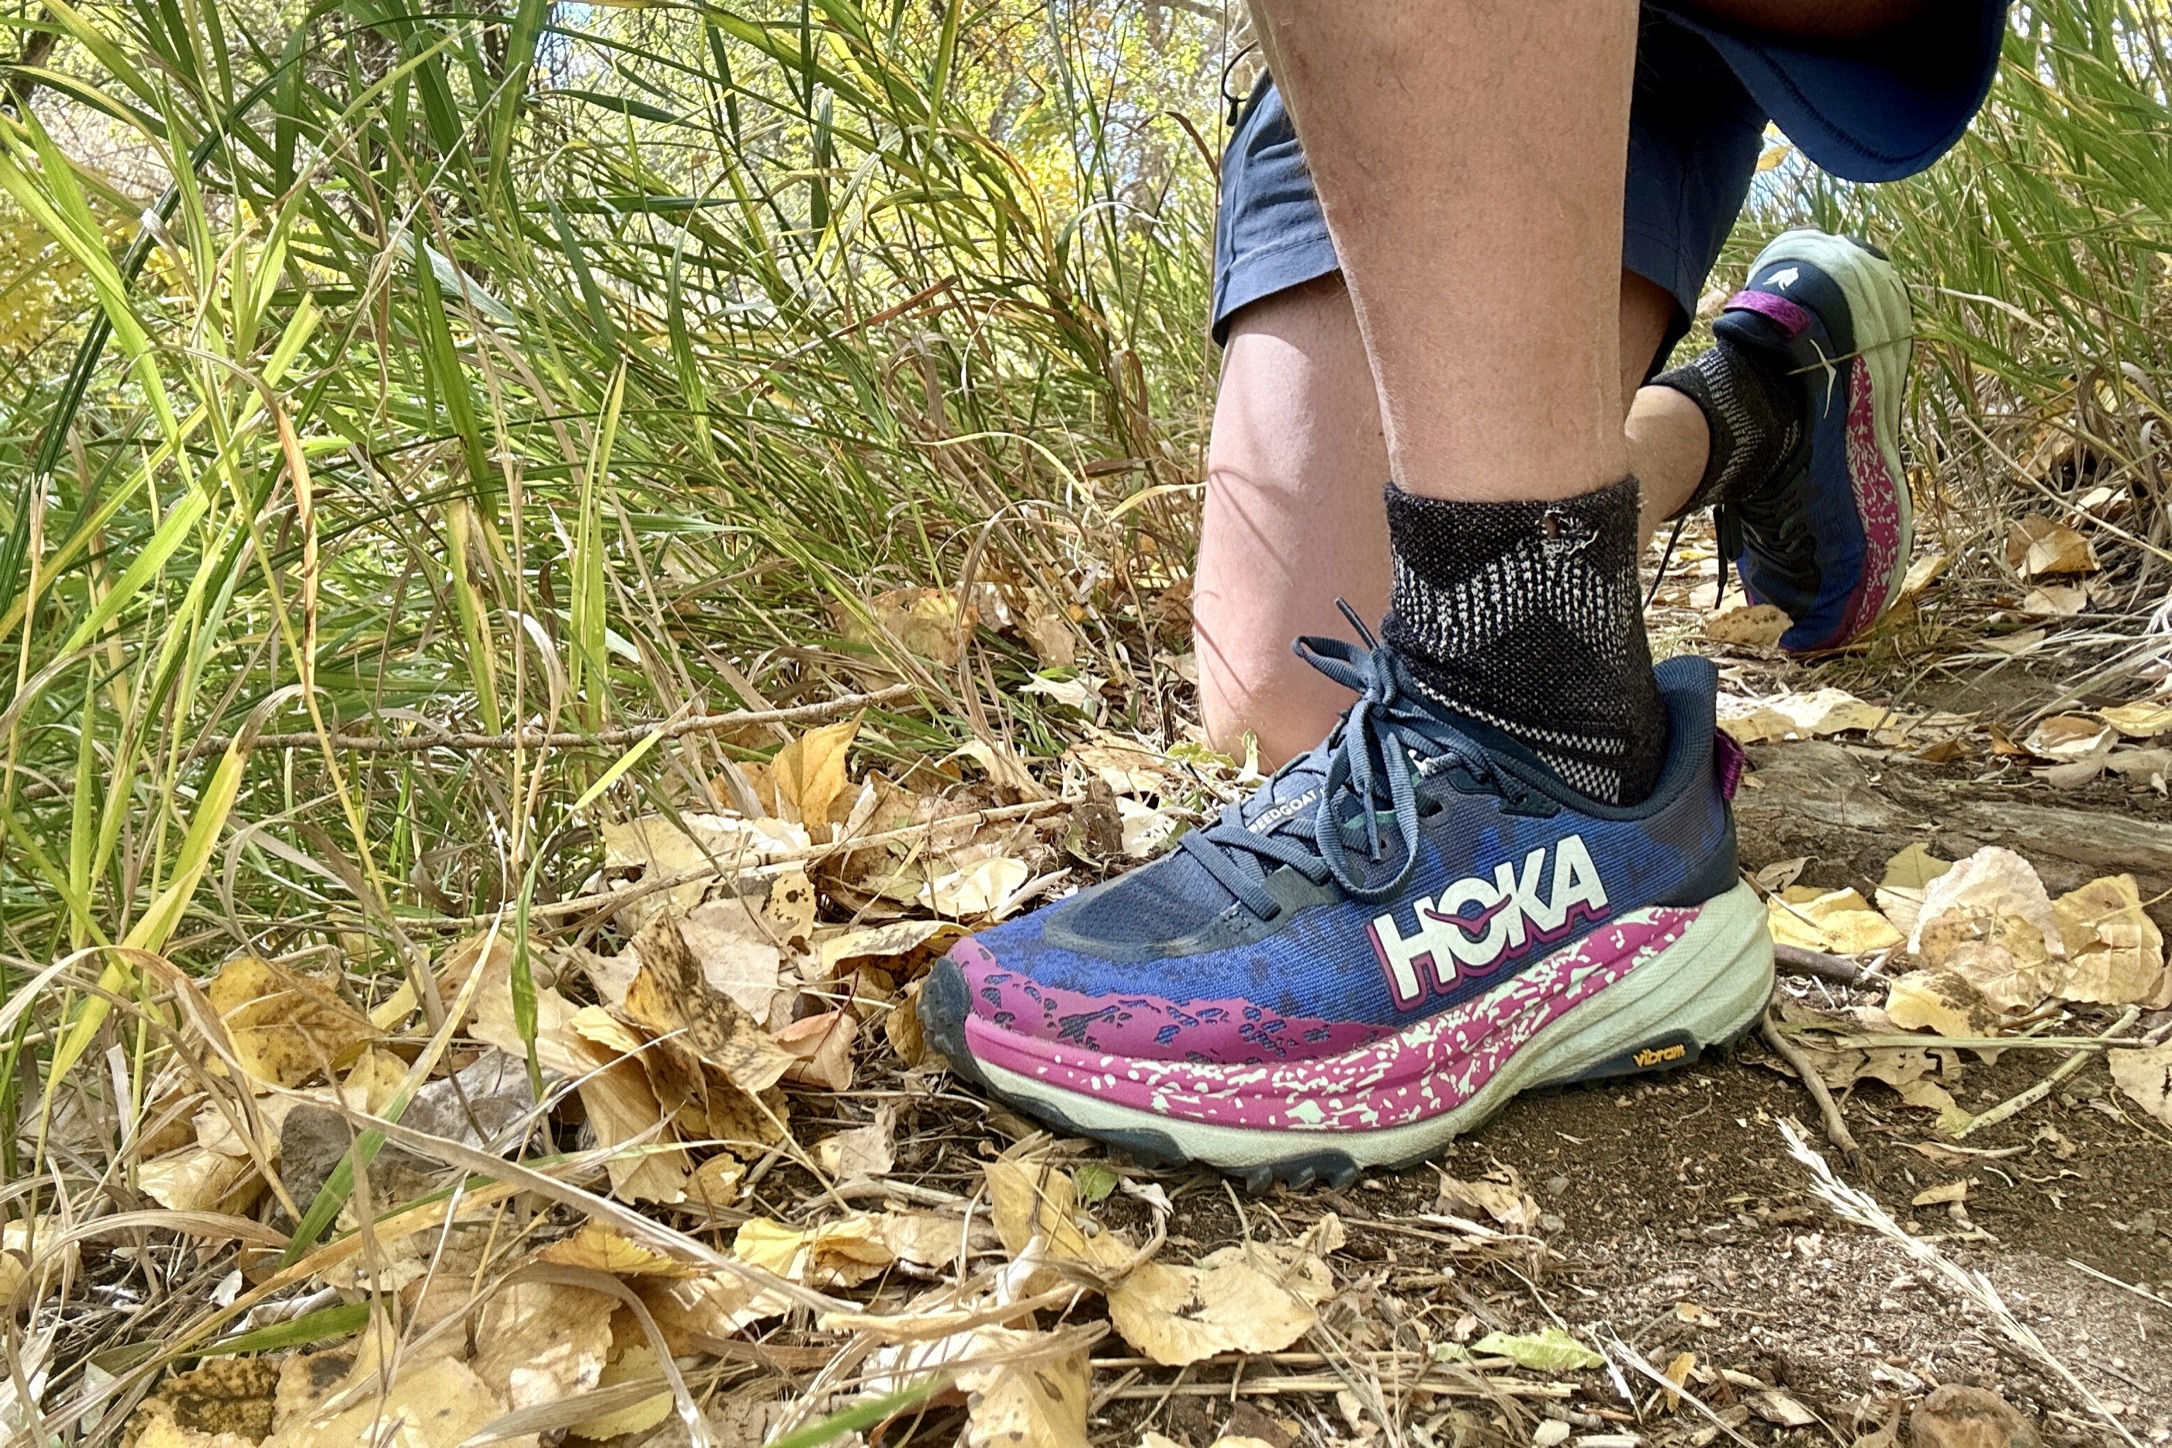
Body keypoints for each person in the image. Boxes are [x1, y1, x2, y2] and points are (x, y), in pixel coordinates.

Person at [920, 0, 2008, 1188]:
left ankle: (1549, 728)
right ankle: (1756, 402)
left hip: (1652, 42)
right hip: (1352, 80)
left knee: (1488, 644)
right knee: (1282, 693)